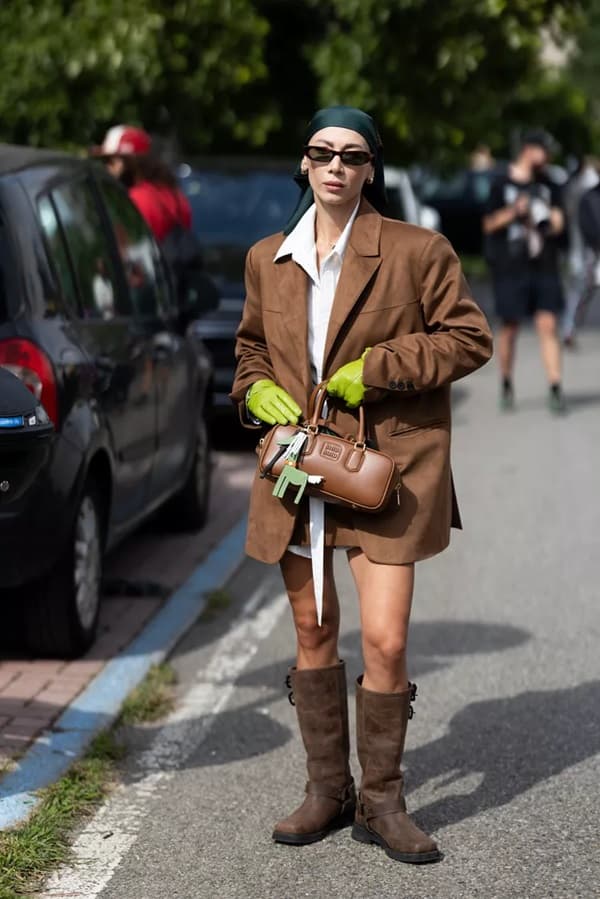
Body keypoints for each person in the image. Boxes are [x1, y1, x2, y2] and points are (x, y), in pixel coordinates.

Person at [231, 106, 493, 865]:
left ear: (371, 168)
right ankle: (327, 790)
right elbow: (250, 354)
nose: (336, 166)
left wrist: (374, 370)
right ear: (304, 165)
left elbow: (468, 336)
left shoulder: (416, 250)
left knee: (385, 638)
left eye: (351, 155)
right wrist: (254, 394)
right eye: (322, 152)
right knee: (313, 632)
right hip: (296, 472)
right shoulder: (266, 257)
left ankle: (382, 797)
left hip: (384, 471)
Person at [483, 129, 566, 413]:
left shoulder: (549, 185)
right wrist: (514, 212)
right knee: (510, 328)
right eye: (544, 150)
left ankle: (555, 387)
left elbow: (558, 223)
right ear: (529, 150)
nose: (548, 157)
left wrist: (552, 219)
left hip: (544, 264)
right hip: (510, 266)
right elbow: (488, 224)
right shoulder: (500, 183)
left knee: (549, 324)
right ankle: (506, 383)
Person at [93, 124, 192, 241]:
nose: (107, 167)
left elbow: (127, 249)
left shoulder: (137, 199)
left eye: (110, 161)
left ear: (130, 161)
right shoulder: (175, 195)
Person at [562, 156, 599, 347]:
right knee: (581, 288)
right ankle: (569, 328)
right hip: (586, 249)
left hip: (586, 249)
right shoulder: (585, 192)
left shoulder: (579, 189)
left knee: (584, 289)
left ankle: (569, 327)